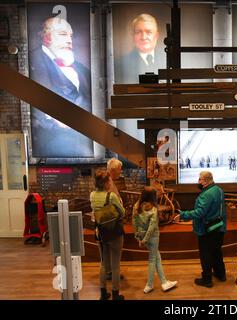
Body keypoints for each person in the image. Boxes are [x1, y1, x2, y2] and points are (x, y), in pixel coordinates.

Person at [29, 16, 92, 157]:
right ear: (47, 37)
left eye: (71, 35)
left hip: (81, 139)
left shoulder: (82, 70)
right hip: (49, 142)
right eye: (63, 34)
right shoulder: (31, 66)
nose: (69, 40)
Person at [173, 171, 226, 288]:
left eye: (200, 179)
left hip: (207, 230)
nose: (199, 181)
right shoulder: (219, 190)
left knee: (205, 254)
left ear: (206, 181)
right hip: (219, 227)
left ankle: (207, 279)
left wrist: (183, 215)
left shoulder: (206, 194)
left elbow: (199, 212)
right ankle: (220, 274)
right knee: (216, 252)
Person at [133, 187, 178, 294]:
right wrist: (144, 240)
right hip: (152, 237)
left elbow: (134, 223)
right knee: (153, 259)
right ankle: (149, 285)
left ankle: (164, 282)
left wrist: (139, 238)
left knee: (157, 257)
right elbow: (152, 227)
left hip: (143, 236)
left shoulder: (136, 206)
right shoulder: (153, 209)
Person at [90, 169, 125, 300]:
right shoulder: (111, 196)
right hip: (115, 232)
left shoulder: (92, 195)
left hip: (101, 232)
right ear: (105, 183)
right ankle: (116, 294)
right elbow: (122, 212)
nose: (111, 181)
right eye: (109, 180)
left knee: (103, 263)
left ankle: (103, 293)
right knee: (116, 265)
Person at [115, 13, 163, 83]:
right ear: (133, 36)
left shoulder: (167, 59)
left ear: (156, 36)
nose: (143, 37)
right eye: (138, 32)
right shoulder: (119, 64)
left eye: (148, 32)